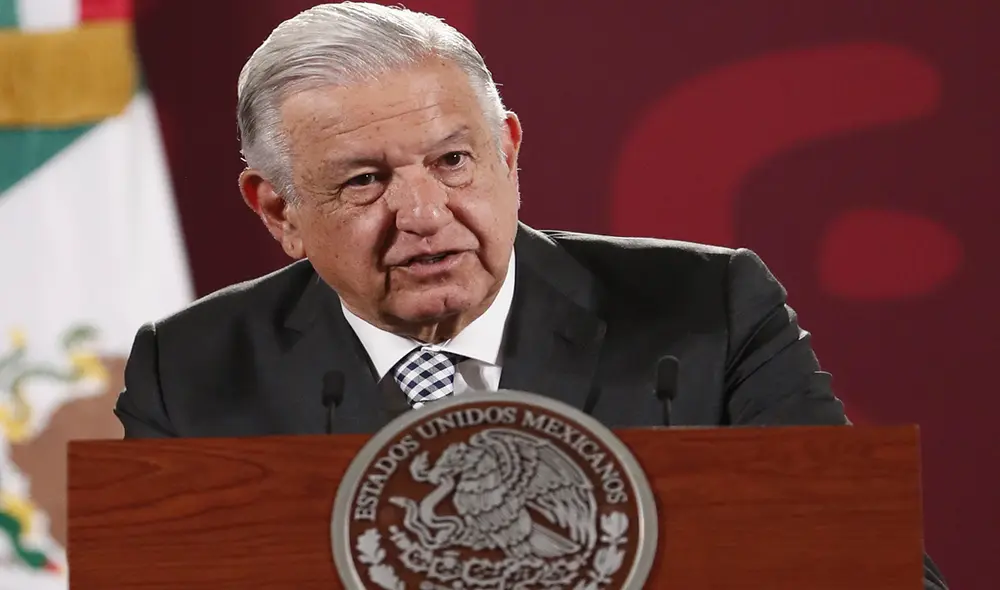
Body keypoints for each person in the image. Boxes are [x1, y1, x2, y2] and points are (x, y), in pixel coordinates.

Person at [114, 4, 945, 587]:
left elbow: (878, 570)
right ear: (279, 211)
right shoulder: (188, 370)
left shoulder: (708, 311)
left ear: (507, 150)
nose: (425, 215)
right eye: (366, 181)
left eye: (452, 161)